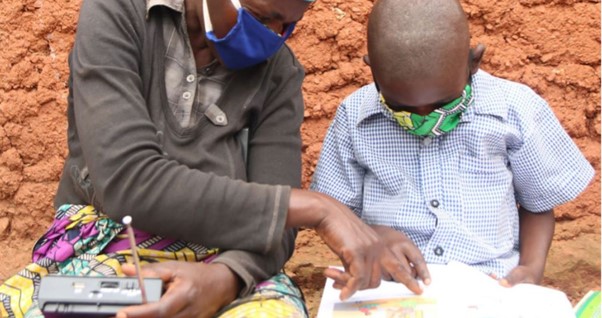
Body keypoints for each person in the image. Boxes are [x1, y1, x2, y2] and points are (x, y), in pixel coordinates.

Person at [0, 0, 412, 317]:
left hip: (223, 257)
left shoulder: (279, 74)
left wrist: (226, 279)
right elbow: (128, 181)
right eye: (257, 16)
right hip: (105, 248)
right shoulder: (119, 13)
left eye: (287, 25)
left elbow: (274, 229)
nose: (270, 36)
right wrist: (316, 208)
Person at [311, 0, 594, 293]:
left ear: (474, 62)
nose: (424, 118)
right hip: (392, 288)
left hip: (491, 288)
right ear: (372, 71)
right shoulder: (354, 117)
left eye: (443, 103)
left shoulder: (514, 109)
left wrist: (531, 270)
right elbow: (332, 213)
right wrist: (370, 237)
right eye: (400, 105)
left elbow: (538, 204)